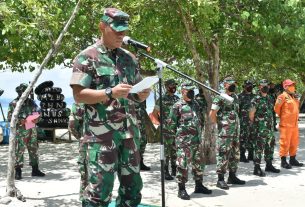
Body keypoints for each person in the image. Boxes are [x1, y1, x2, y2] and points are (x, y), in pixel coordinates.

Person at [70, 8, 151, 207]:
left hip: (129, 136)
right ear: (102, 26)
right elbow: (79, 95)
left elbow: (135, 93)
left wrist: (142, 94)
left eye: (124, 30)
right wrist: (109, 93)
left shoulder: (129, 58)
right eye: (116, 30)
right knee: (98, 194)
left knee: (132, 193)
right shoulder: (86, 57)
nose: (121, 35)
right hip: (101, 138)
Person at [169, 82, 212, 200]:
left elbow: (201, 119)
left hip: (196, 140)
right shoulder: (177, 106)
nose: (192, 92)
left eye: (193, 90)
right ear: (183, 91)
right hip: (184, 142)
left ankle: (199, 186)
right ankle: (181, 189)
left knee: (199, 164)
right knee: (182, 165)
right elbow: (171, 124)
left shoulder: (196, 104)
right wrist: (177, 140)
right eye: (189, 90)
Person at [209, 77, 245, 190]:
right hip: (225, 132)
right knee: (223, 154)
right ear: (225, 85)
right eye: (231, 83)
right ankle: (220, 179)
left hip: (235, 131)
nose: (233, 85)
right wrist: (220, 125)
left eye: (235, 83)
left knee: (235, 154)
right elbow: (212, 114)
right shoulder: (219, 97)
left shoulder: (236, 97)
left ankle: (232, 176)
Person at [7, 83, 45, 180]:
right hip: (20, 131)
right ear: (20, 92)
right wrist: (20, 120)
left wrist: (37, 118)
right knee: (19, 151)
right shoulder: (13, 104)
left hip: (31, 128)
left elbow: (38, 112)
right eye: (24, 92)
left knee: (34, 149)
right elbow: (9, 118)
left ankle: (35, 170)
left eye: (28, 92)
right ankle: (18, 171)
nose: (26, 94)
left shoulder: (31, 102)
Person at [249, 80, 280, 177]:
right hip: (259, 129)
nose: (265, 87)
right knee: (258, 148)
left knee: (270, 146)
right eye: (263, 85)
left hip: (269, 128)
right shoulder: (256, 99)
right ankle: (256, 168)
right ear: (259, 87)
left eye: (266, 85)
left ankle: (269, 165)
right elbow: (251, 114)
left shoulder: (270, 98)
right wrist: (257, 125)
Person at [151, 79, 179, 180]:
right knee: (166, 151)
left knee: (175, 150)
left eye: (175, 85)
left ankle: (174, 169)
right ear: (167, 87)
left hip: (176, 129)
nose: (174, 88)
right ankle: (165, 171)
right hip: (166, 130)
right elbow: (154, 113)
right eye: (172, 85)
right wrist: (161, 122)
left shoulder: (177, 99)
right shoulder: (161, 99)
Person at [274, 79, 303, 169]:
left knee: (294, 142)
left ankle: (293, 159)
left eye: (293, 85)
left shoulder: (294, 97)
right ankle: (283, 161)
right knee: (285, 143)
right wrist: (283, 116)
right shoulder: (282, 97)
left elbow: (296, 109)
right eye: (290, 85)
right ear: (285, 87)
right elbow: (276, 108)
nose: (293, 87)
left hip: (294, 124)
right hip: (286, 125)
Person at [68, 102, 87, 200]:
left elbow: (72, 126)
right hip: (110, 144)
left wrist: (82, 137)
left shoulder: (81, 100)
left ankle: (85, 201)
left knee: (86, 177)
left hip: (88, 144)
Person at [238, 80, 255, 162]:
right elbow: (237, 109)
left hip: (253, 121)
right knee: (243, 138)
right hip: (243, 121)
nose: (249, 87)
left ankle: (251, 154)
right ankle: (242, 155)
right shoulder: (240, 97)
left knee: (252, 137)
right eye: (247, 86)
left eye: (250, 85)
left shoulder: (255, 97)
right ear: (244, 87)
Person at [135, 101, 150, 171]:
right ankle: (134, 164)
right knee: (134, 144)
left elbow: (144, 111)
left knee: (143, 142)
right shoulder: (130, 96)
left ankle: (140, 163)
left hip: (142, 125)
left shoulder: (143, 99)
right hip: (134, 126)